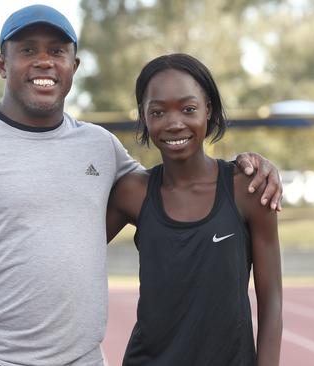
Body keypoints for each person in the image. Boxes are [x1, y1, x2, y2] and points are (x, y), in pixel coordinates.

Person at [0, 5, 282, 366]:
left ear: (74, 65)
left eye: (57, 50)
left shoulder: (100, 148)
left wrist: (255, 165)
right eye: (28, 49)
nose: (44, 60)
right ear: (2, 64)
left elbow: (177, 177)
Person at [106, 53, 283, 366]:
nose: (175, 123)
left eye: (188, 109)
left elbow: (272, 302)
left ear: (208, 110)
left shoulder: (248, 189)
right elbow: (73, 250)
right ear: (144, 117)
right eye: (158, 111)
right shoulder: (132, 193)